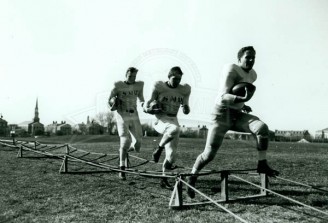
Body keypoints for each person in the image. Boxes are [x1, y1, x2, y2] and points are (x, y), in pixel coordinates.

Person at [187, 46, 279, 198]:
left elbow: (238, 95)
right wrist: (243, 99)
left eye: (253, 57)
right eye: (247, 57)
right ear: (239, 58)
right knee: (209, 154)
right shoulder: (231, 69)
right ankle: (192, 176)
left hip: (236, 114)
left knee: (262, 128)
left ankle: (262, 164)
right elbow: (223, 96)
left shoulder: (253, 75)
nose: (251, 60)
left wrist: (243, 105)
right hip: (221, 115)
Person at [144, 66, 191, 189]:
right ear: (169, 77)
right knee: (174, 129)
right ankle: (158, 149)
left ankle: (163, 179)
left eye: (179, 79)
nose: (177, 81)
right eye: (175, 78)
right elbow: (147, 104)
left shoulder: (184, 89)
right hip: (160, 119)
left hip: (173, 119)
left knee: (172, 155)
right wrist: (149, 109)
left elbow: (186, 108)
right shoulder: (159, 86)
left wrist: (186, 108)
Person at [108, 67, 145, 180]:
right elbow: (109, 99)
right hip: (122, 114)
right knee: (125, 141)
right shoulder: (118, 85)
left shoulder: (139, 85)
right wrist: (113, 103)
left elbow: (141, 98)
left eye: (134, 76)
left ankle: (123, 152)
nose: (132, 78)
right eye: (130, 76)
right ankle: (122, 168)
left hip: (134, 114)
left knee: (138, 142)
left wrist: (144, 105)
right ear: (126, 75)